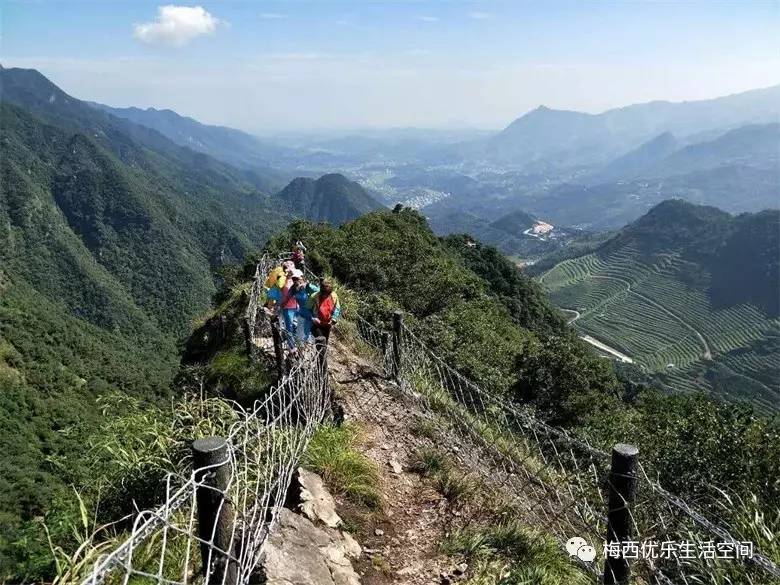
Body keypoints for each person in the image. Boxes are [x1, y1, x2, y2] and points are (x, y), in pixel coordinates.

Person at [293, 273, 320, 343]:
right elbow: (303, 308)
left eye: (300, 282)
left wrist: (308, 285)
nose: (299, 285)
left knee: (309, 337)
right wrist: (312, 318)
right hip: (305, 316)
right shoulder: (297, 294)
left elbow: (319, 291)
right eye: (297, 284)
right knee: (301, 337)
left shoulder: (309, 288)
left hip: (312, 316)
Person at [279, 267, 300, 351]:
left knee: (294, 326)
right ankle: (292, 347)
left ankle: (290, 341)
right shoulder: (283, 281)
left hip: (295, 307)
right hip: (287, 307)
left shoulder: (295, 282)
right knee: (290, 327)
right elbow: (285, 295)